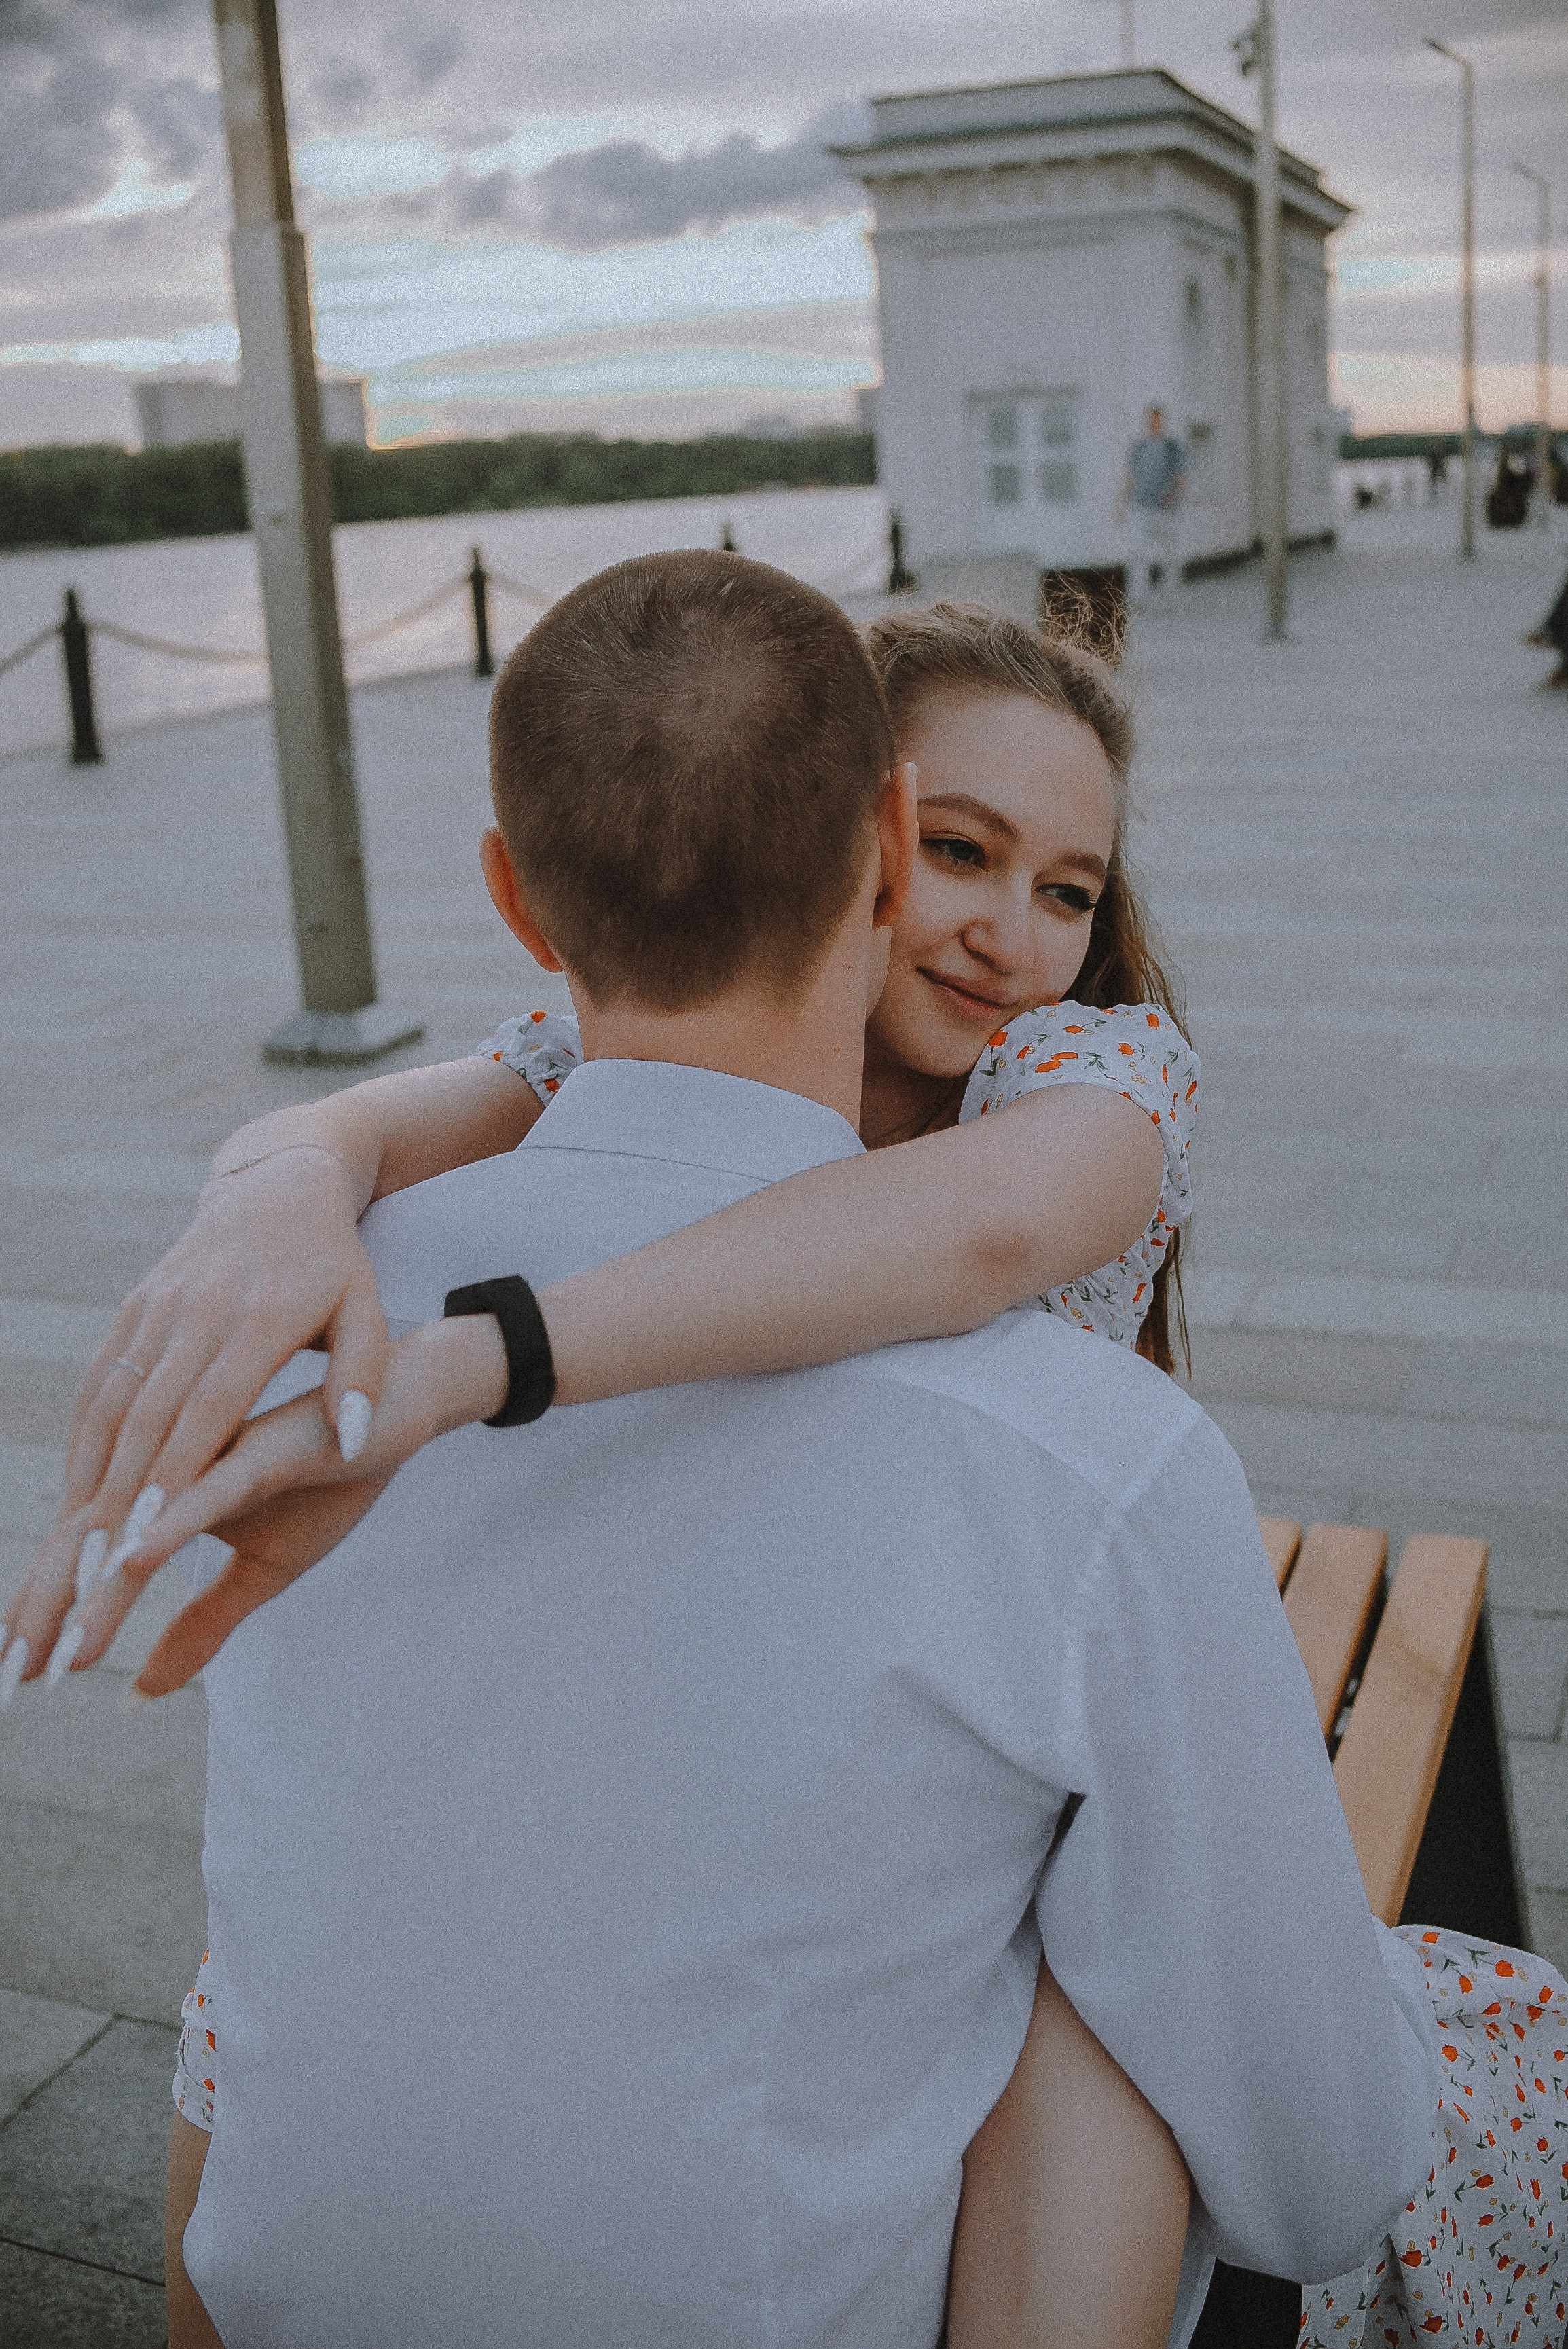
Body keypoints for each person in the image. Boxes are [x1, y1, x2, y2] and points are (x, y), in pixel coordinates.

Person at [6, 553, 1441, 2346]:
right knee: (1120, 1976)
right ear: (879, 836)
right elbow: (1323, 2171)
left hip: (374, 2172)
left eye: (1063, 885)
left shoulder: (1071, 1096)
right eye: (958, 853)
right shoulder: (1079, 1458)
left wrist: (462, 1352)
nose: (1005, 924)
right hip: (994, 1767)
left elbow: (976, 1235)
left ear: (515, 896)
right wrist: (279, 1173)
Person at [1116, 405, 1186, 608]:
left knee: (1171, 555)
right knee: (1138, 553)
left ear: (1163, 421)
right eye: (1150, 419)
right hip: (1142, 508)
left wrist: (1173, 496)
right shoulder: (1138, 447)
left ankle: (1169, 597)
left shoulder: (1173, 447)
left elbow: (1181, 479)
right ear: (1146, 420)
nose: (1153, 422)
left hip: (1167, 511)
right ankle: (1138, 598)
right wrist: (1121, 505)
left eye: (1157, 419)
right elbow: (1130, 478)